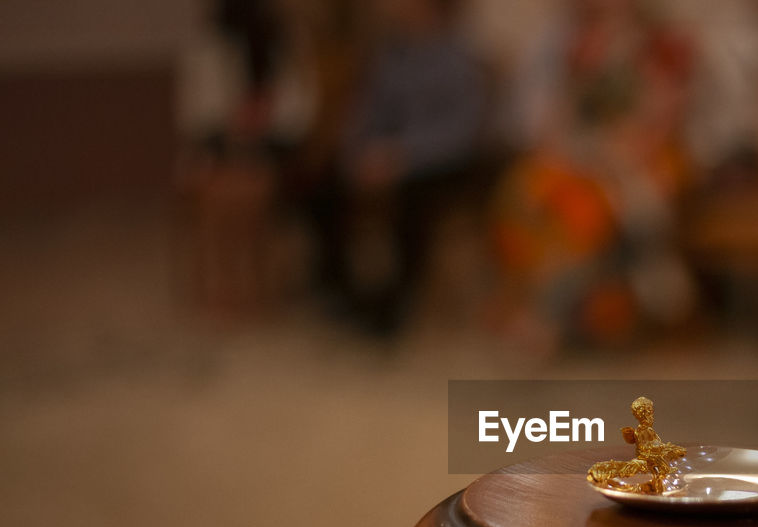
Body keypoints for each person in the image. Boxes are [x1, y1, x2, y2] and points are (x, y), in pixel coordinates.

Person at [492, 0, 694, 354]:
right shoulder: (583, 47)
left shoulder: (661, 44)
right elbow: (566, 116)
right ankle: (552, 310)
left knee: (593, 210)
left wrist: (618, 150)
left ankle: (551, 318)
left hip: (645, 154)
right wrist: (577, 149)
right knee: (529, 190)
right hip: (592, 154)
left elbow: (664, 116)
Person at [311, 0, 488, 339]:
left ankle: (397, 303)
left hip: (439, 164)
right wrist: (360, 154)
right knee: (325, 185)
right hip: (384, 158)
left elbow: (459, 134)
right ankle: (341, 289)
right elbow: (367, 116)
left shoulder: (457, 58)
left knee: (414, 202)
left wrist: (402, 156)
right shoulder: (390, 57)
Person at [176, 0, 316, 319]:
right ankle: (222, 288)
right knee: (218, 192)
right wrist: (234, 123)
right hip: (219, 148)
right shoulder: (207, 48)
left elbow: (299, 112)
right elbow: (194, 115)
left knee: (253, 189)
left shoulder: (284, 45)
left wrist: (264, 117)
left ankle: (253, 287)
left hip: (271, 149)